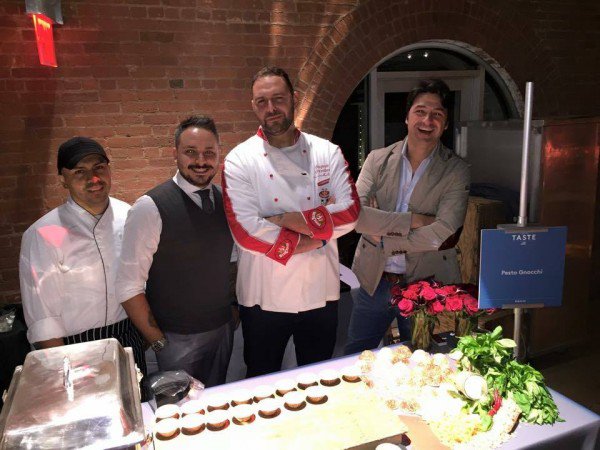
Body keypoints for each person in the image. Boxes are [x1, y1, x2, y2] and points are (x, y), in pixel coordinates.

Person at [222, 66, 360, 377]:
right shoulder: (239, 160)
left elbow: (351, 212)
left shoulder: (327, 152)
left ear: (294, 98)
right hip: (263, 297)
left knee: (319, 377)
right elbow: (246, 233)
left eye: (278, 99)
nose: (270, 108)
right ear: (253, 106)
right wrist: (318, 238)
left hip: (320, 292)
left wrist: (284, 219)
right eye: (262, 101)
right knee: (262, 379)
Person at [344, 79, 470, 355]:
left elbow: (443, 232)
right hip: (374, 280)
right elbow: (355, 216)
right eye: (420, 111)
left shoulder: (456, 170)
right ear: (407, 117)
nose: (427, 120)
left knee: (425, 359)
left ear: (445, 124)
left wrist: (384, 237)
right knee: (357, 356)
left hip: (427, 285)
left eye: (437, 114)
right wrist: (415, 219)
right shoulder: (377, 160)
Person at [116, 115, 236, 387]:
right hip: (175, 340)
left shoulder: (226, 201)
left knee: (217, 401)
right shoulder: (150, 207)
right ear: (175, 154)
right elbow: (127, 286)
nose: (201, 161)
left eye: (209, 153)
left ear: (219, 154)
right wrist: (159, 342)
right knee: (178, 410)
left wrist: (232, 311)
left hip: (222, 331)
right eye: (190, 152)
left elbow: (231, 262)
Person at [19, 137, 146, 374]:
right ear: (63, 179)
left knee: (136, 396)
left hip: (129, 336)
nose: (93, 178)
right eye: (80, 171)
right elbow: (42, 316)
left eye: (99, 167)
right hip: (73, 346)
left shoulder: (129, 216)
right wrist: (62, 368)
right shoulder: (43, 233)